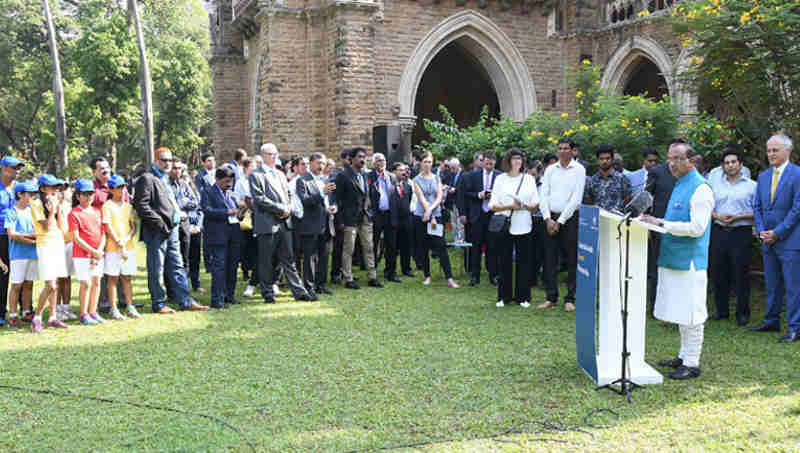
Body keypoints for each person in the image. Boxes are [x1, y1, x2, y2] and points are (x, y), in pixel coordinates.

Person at [640, 141, 714, 380]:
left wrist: (660, 223)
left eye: (676, 159)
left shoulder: (701, 188)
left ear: (690, 161)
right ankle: (683, 356)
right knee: (682, 312)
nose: (670, 164)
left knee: (692, 313)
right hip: (673, 257)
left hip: (690, 261)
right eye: (669, 158)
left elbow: (697, 228)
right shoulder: (680, 184)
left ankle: (692, 363)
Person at [133, 147, 209, 314]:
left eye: (169, 160)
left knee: (177, 265)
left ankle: (185, 300)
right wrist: (160, 224)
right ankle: (159, 303)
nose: (167, 163)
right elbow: (141, 206)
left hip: (173, 228)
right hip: (157, 231)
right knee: (157, 268)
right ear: (155, 161)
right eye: (163, 160)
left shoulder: (167, 179)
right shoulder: (147, 179)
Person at [249, 143, 315, 303]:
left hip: (284, 223)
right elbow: (259, 199)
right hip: (267, 223)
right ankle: (267, 293)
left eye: (276, 154)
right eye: (272, 154)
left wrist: (289, 207)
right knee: (266, 261)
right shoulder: (255, 175)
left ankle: (299, 292)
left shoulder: (279, 174)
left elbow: (289, 194)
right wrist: (281, 209)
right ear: (264, 155)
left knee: (289, 259)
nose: (275, 157)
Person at [751, 134, 800, 342]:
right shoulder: (763, 177)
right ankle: (771, 321)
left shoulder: (797, 174)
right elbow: (758, 207)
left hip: (790, 241)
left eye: (775, 150)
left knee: (792, 286)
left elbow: (797, 209)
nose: (770, 154)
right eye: (769, 150)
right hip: (767, 240)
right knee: (772, 283)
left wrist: (777, 232)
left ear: (788, 150)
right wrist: (762, 230)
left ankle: (795, 328)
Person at [708, 145, 756, 326]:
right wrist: (717, 216)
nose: (730, 165)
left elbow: (758, 212)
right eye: (726, 163)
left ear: (740, 164)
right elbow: (708, 208)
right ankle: (721, 311)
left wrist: (738, 217)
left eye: (733, 162)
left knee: (741, 273)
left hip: (740, 232)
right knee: (719, 272)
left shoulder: (752, 186)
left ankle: (743, 313)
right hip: (719, 231)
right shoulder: (715, 185)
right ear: (723, 166)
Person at [538, 139, 586, 312]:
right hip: (549, 218)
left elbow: (576, 199)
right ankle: (551, 297)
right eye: (560, 148)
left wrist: (560, 221)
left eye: (566, 148)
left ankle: (570, 298)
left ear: (573, 151)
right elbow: (543, 194)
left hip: (570, 218)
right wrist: (547, 218)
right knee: (549, 258)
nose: (563, 151)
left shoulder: (579, 170)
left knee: (571, 258)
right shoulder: (550, 169)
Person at [488, 148, 539, 307]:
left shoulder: (529, 179)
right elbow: (492, 205)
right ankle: (503, 296)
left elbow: (535, 203)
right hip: (505, 224)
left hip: (524, 225)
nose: (517, 161)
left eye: (520, 159)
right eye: (514, 158)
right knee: (503, 261)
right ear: (508, 161)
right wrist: (510, 206)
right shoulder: (500, 179)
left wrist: (523, 205)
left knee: (524, 261)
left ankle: (523, 297)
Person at [334, 147, 383, 290]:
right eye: (360, 157)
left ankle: (372, 277)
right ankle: (348, 278)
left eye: (364, 157)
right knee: (348, 249)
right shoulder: (343, 176)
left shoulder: (365, 175)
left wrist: (370, 213)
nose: (363, 160)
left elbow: (367, 196)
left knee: (369, 247)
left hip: (365, 218)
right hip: (349, 219)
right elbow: (338, 199)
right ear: (351, 159)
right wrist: (341, 220)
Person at [30, 174, 70, 332]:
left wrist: (58, 209)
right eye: (51, 187)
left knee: (56, 284)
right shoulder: (36, 204)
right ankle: (37, 317)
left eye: (56, 187)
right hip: (45, 245)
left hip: (57, 242)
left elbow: (62, 227)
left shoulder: (56, 202)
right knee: (50, 284)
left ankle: (53, 317)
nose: (54, 190)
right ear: (42, 189)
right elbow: (46, 226)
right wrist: (52, 211)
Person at [412, 152, 459, 288]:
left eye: (430, 162)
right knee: (423, 246)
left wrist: (432, 214)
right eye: (425, 161)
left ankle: (449, 278)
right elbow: (422, 199)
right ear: (420, 163)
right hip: (422, 216)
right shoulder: (416, 180)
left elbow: (439, 197)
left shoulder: (436, 178)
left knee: (441, 246)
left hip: (435, 214)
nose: (428, 164)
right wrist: (429, 215)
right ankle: (427, 276)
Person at [645, 140, 679, 316]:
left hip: (681, 229)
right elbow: (646, 198)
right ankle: (655, 307)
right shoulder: (656, 172)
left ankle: (674, 308)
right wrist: (647, 226)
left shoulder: (687, 173)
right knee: (656, 269)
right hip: (658, 228)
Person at [201, 166, 242, 309]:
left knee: (233, 266)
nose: (228, 184)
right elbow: (207, 210)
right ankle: (217, 299)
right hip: (218, 235)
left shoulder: (231, 193)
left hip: (234, 233)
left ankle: (229, 295)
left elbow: (236, 211)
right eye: (225, 181)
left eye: (230, 181)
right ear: (217, 180)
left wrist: (240, 212)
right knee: (219, 267)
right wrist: (227, 212)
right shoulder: (208, 192)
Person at [296, 153, 337, 295]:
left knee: (324, 256)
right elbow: (305, 201)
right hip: (310, 225)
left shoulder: (326, 180)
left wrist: (333, 207)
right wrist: (321, 193)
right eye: (318, 163)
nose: (321, 166)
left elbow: (330, 200)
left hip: (326, 223)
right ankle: (309, 287)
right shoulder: (302, 181)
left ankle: (321, 285)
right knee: (309, 258)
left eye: (323, 163)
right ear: (311, 163)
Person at [102, 175, 141, 319]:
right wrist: (119, 241)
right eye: (118, 187)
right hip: (113, 247)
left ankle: (130, 306)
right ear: (111, 189)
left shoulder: (128, 206)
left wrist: (126, 239)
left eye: (123, 186)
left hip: (127, 246)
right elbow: (107, 226)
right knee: (113, 278)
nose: (122, 190)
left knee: (127, 277)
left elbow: (133, 226)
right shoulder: (107, 206)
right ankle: (113, 308)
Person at [69, 179, 107, 324]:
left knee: (96, 281)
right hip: (82, 255)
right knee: (86, 283)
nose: (88, 196)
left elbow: (103, 233)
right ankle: (84, 314)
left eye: (91, 193)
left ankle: (93, 311)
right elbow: (76, 238)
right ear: (78, 196)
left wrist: (99, 251)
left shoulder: (98, 211)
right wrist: (93, 251)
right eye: (85, 194)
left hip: (97, 254)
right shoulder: (74, 213)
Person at [463, 152, 500, 286]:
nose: (489, 165)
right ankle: (475, 275)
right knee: (476, 246)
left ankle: (493, 275)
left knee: (493, 247)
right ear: (482, 162)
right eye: (486, 163)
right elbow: (466, 193)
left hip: (492, 214)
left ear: (495, 162)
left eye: (491, 163)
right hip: (478, 215)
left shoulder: (500, 176)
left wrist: (493, 196)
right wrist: (479, 195)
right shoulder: (473, 175)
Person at [5, 180, 37, 329]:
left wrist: (32, 239)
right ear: (20, 194)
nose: (32, 196)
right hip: (18, 254)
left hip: (32, 253)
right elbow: (11, 234)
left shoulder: (33, 211)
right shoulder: (11, 212)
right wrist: (30, 238)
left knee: (29, 284)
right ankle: (12, 315)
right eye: (29, 193)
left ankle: (26, 312)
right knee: (16, 285)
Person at [367, 152, 398, 281]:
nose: (382, 163)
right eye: (379, 160)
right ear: (374, 163)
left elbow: (395, 196)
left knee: (391, 245)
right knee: (373, 244)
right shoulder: (369, 177)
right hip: (376, 215)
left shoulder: (391, 177)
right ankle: (372, 273)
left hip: (389, 215)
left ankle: (390, 272)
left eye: (383, 160)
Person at [0, 156, 23, 327]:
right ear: (4, 168)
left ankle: (23, 309)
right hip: (1, 236)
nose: (17, 171)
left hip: (17, 235)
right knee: (2, 273)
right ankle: (1, 312)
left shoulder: (18, 190)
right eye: (14, 167)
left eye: (18, 168)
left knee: (19, 273)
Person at [583, 145, 632, 212]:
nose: (604, 161)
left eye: (607, 158)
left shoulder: (622, 179)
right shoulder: (592, 180)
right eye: (601, 159)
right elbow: (589, 202)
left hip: (617, 219)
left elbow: (628, 200)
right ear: (597, 160)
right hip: (598, 218)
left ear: (612, 160)